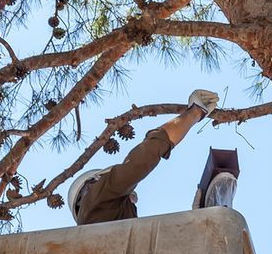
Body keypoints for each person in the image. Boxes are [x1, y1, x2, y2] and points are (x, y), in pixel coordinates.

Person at [67, 89, 233, 225]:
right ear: (90, 187)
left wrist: (200, 221)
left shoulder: (110, 234)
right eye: (127, 194)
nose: (133, 197)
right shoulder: (96, 201)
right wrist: (195, 113)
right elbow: (140, 162)